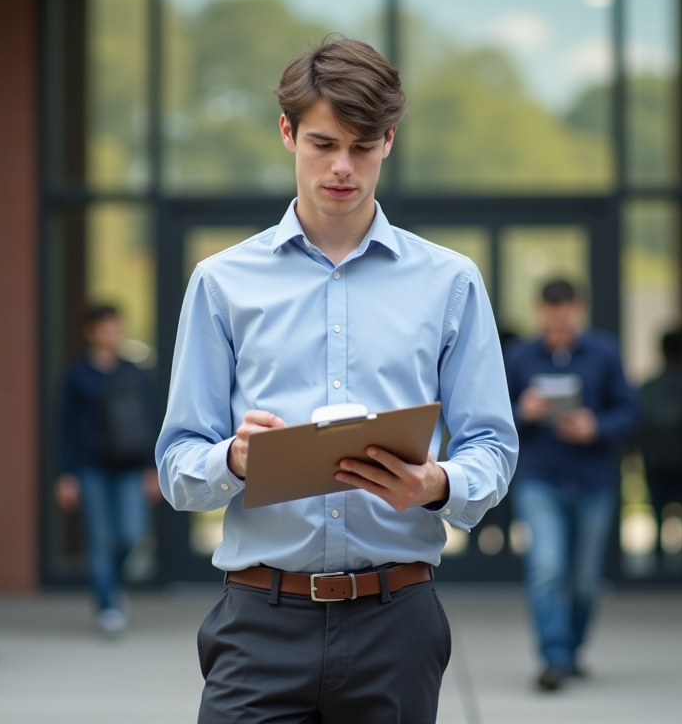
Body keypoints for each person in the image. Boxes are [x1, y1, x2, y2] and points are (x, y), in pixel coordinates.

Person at [157, 37, 518, 723]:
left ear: (389, 142)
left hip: (397, 623)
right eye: (324, 144)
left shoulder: (450, 282)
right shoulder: (221, 283)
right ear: (287, 133)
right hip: (259, 622)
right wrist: (233, 459)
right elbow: (177, 466)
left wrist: (436, 484)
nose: (343, 167)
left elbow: (493, 449)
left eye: (362, 147)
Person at [503, 279, 638, 692]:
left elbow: (630, 411)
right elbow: (492, 416)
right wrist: (523, 411)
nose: (558, 326)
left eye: (566, 318)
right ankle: (554, 659)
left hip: (593, 482)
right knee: (546, 567)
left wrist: (596, 426)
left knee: (584, 580)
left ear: (579, 310)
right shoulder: (519, 357)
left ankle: (572, 650)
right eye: (551, 318)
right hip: (539, 479)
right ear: (540, 311)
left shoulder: (604, 353)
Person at [56, 304, 160, 637]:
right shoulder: (77, 374)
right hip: (90, 468)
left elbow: (150, 422)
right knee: (100, 540)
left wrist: (153, 469)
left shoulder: (134, 373)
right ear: (91, 332)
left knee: (131, 535)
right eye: (106, 327)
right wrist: (66, 475)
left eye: (116, 326)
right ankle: (107, 607)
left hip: (130, 467)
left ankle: (110, 584)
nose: (113, 332)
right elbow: (65, 428)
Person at [637, 330, 682, 565]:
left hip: (655, 461)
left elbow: (637, 426)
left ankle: (657, 559)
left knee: (657, 513)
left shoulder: (648, 387)